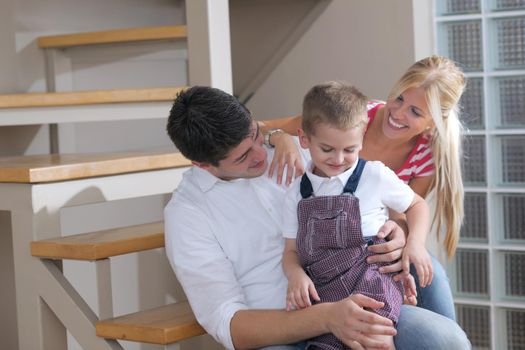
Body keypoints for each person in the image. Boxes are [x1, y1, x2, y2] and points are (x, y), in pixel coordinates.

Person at [164, 85, 470, 349]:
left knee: (443, 336)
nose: (260, 154)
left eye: (256, 136)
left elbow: (375, 196)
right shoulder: (188, 215)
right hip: (282, 330)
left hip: (354, 290)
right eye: (243, 157)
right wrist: (327, 317)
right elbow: (228, 323)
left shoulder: (303, 150)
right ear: (202, 165)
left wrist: (398, 231)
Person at [263, 55, 465, 321]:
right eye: (399, 98)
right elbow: (262, 127)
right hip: (331, 263)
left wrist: (405, 236)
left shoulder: (424, 154)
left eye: (415, 112)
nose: (398, 113)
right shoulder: (356, 117)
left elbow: (407, 208)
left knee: (432, 275)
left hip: (374, 246)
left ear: (432, 124)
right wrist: (280, 138)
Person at [282, 82, 432, 350]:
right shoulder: (295, 193)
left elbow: (417, 205)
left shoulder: (374, 174)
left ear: (362, 137)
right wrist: (295, 276)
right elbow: (291, 251)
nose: (339, 159)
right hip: (325, 291)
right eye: (327, 149)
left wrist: (416, 244)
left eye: (350, 149)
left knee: (374, 340)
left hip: (373, 279)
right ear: (304, 139)